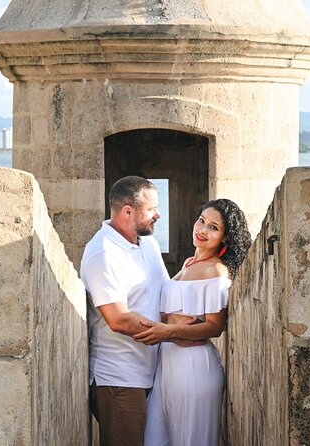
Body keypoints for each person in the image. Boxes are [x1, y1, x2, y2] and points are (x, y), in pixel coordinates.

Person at [81, 176, 196, 446]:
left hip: (152, 373)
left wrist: (191, 271)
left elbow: (160, 291)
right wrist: (171, 333)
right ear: (128, 211)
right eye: (151, 208)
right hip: (119, 379)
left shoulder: (149, 244)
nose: (158, 214)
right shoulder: (103, 252)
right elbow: (118, 318)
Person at [133, 198, 252, 446]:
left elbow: (215, 327)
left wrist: (169, 331)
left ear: (225, 239)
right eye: (201, 221)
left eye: (213, 227)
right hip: (167, 365)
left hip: (193, 367)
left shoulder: (216, 271)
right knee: (154, 440)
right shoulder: (189, 263)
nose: (202, 230)